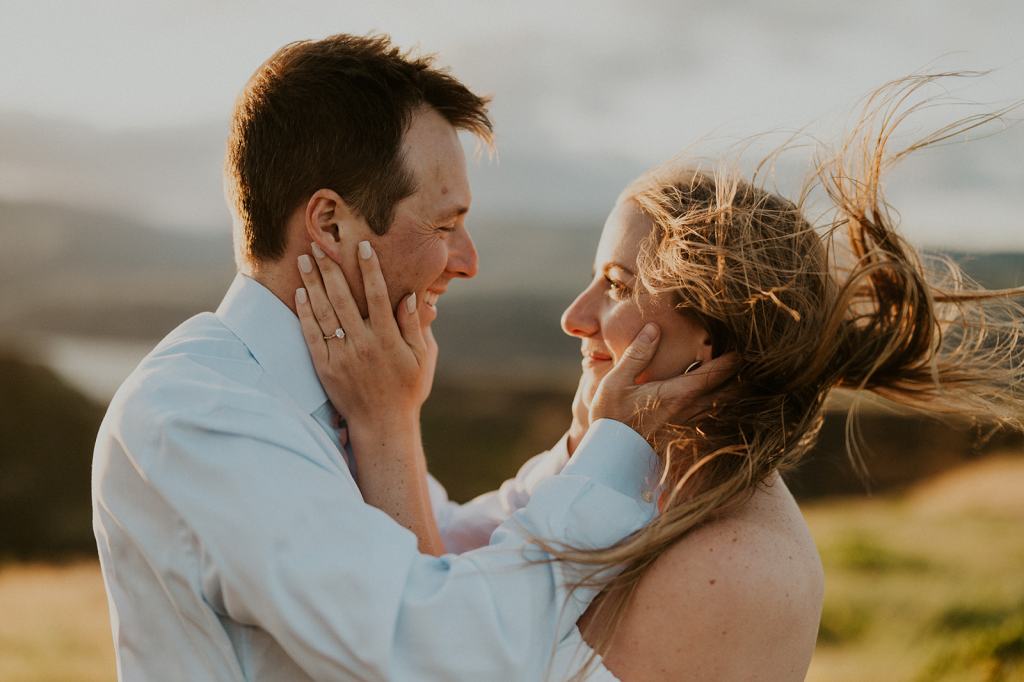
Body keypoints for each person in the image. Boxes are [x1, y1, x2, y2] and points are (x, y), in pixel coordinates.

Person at [299, 74, 1024, 680]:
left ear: (711, 335)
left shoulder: (731, 564)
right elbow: (458, 561)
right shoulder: (636, 473)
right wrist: (571, 449)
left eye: (616, 285)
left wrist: (387, 421)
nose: (575, 318)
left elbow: (432, 659)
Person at [91, 34, 736, 681]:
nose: (468, 261)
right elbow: (437, 650)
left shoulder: (340, 389)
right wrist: (613, 459)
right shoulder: (197, 416)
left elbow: (447, 546)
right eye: (445, 225)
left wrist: (583, 446)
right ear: (330, 224)